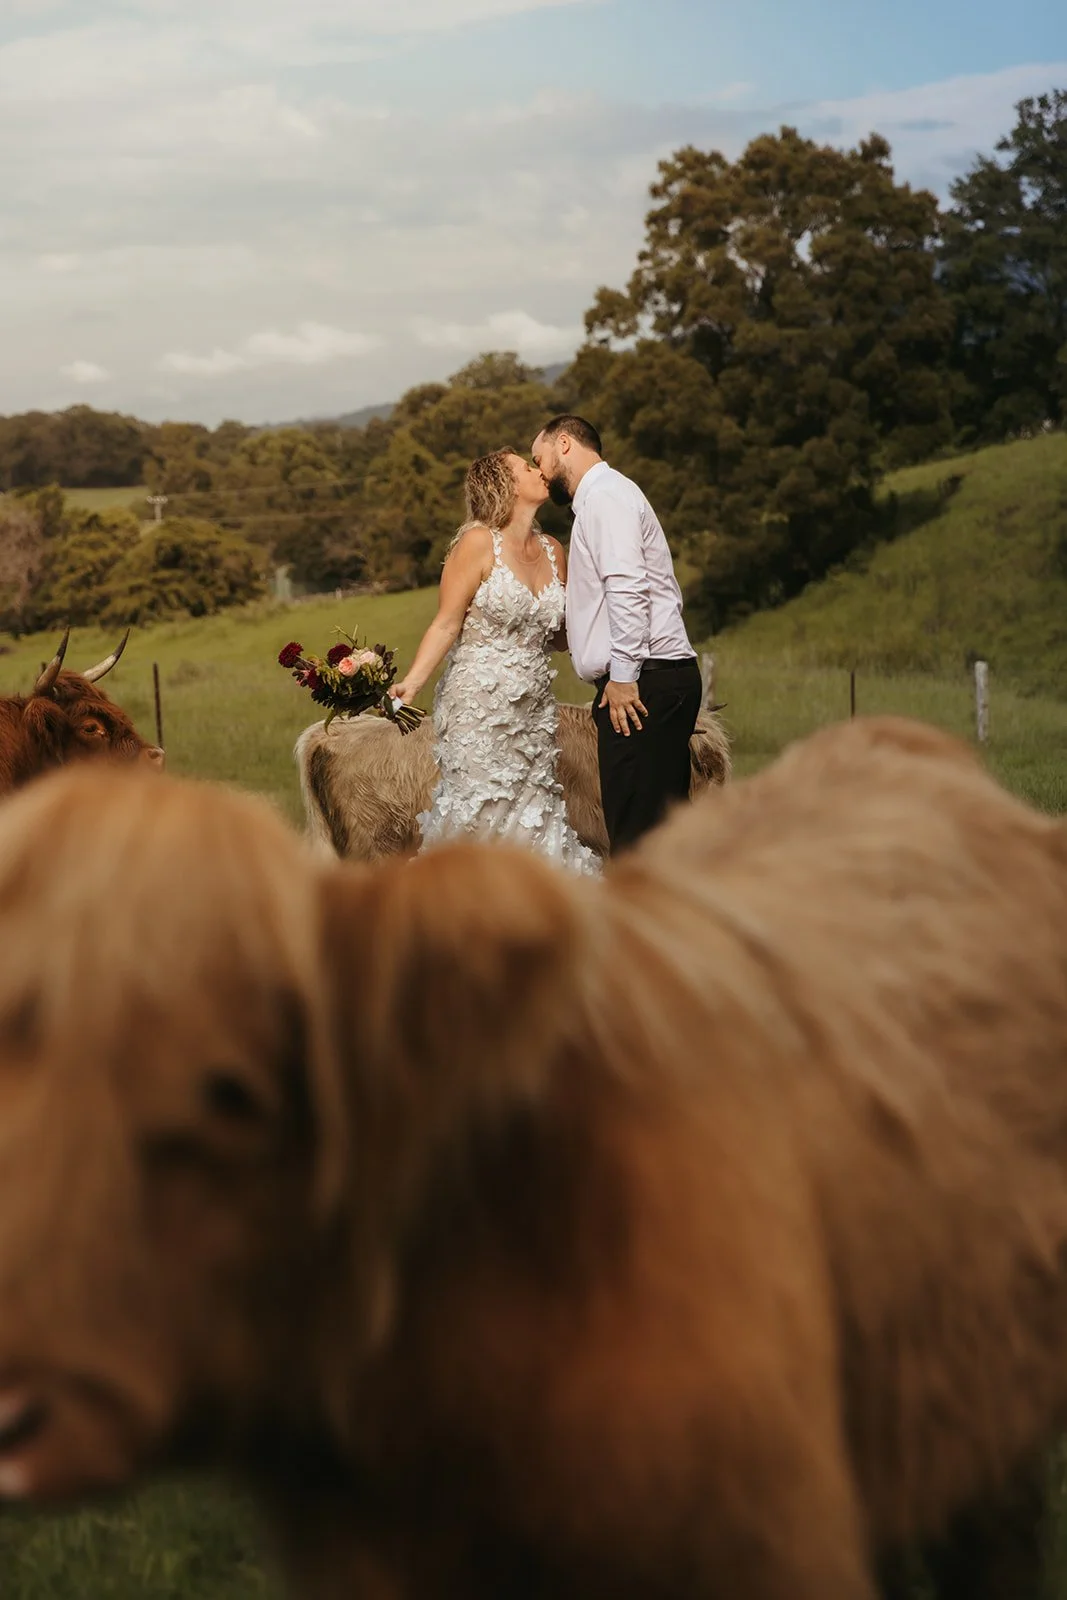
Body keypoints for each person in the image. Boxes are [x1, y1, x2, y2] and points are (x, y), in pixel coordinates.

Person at [392, 448, 599, 875]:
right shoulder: (477, 543)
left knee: (535, 809)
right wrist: (411, 683)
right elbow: (447, 624)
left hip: (533, 710)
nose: (538, 470)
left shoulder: (554, 550)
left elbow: (561, 637)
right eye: (526, 467)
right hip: (477, 710)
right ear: (504, 486)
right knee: (481, 810)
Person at [531, 415, 700, 855]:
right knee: (663, 837)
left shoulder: (605, 497)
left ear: (563, 443)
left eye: (540, 458)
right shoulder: (603, 498)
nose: (541, 472)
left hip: (642, 683)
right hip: (655, 678)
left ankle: (649, 922)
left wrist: (623, 676)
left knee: (636, 839)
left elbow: (627, 586)